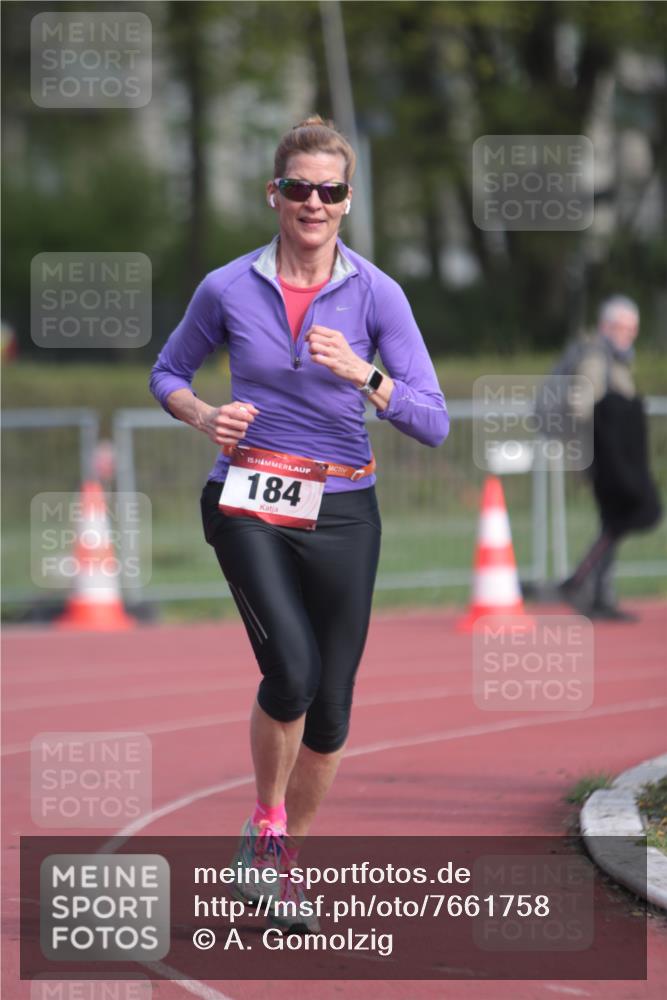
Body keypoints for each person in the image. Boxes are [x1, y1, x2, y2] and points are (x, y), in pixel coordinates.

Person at [149, 116, 449, 928]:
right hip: (248, 497)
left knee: (333, 709)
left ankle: (275, 858)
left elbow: (432, 420)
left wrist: (365, 375)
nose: (313, 202)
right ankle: (270, 828)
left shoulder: (377, 292)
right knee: (291, 671)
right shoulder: (226, 286)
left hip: (346, 507)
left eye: (331, 190)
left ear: (347, 202)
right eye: (298, 188)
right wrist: (202, 415)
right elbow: (168, 370)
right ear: (273, 194)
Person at [557, 295, 662, 621]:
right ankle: (585, 585)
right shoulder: (596, 359)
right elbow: (581, 405)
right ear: (606, 327)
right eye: (622, 327)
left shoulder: (614, 360)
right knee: (622, 519)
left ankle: (595, 590)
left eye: (633, 329)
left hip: (614, 459)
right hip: (606, 461)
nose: (628, 334)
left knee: (615, 523)